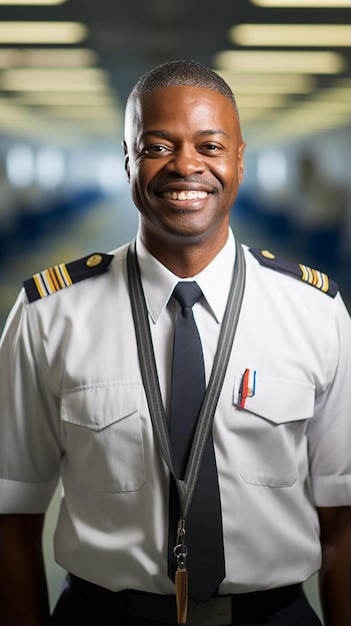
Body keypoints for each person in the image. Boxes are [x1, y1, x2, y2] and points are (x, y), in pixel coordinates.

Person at [0, 60, 350, 626]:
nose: (186, 165)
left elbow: (344, 516)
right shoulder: (48, 314)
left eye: (210, 146)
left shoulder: (316, 310)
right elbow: (9, 514)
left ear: (239, 160)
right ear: (127, 161)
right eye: (158, 145)